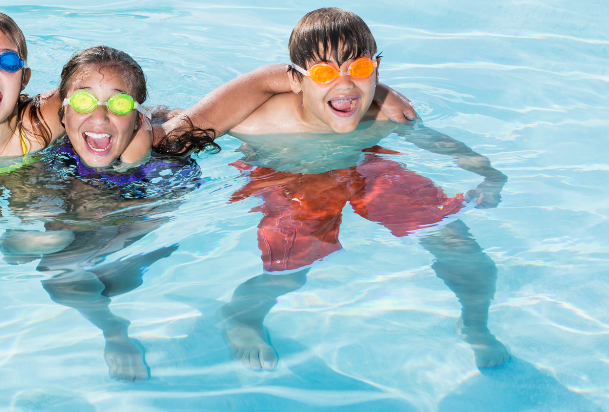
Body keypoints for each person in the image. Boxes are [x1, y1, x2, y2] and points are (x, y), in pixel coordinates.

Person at [170, 7, 509, 371]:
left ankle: (474, 323)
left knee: (461, 248)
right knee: (289, 271)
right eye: (324, 72)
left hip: (366, 167)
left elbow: (434, 141)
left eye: (359, 68)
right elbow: (181, 131)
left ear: (376, 70)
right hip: (290, 177)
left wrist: (487, 173)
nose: (345, 84)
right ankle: (241, 318)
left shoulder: (383, 116)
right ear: (296, 81)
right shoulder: (256, 121)